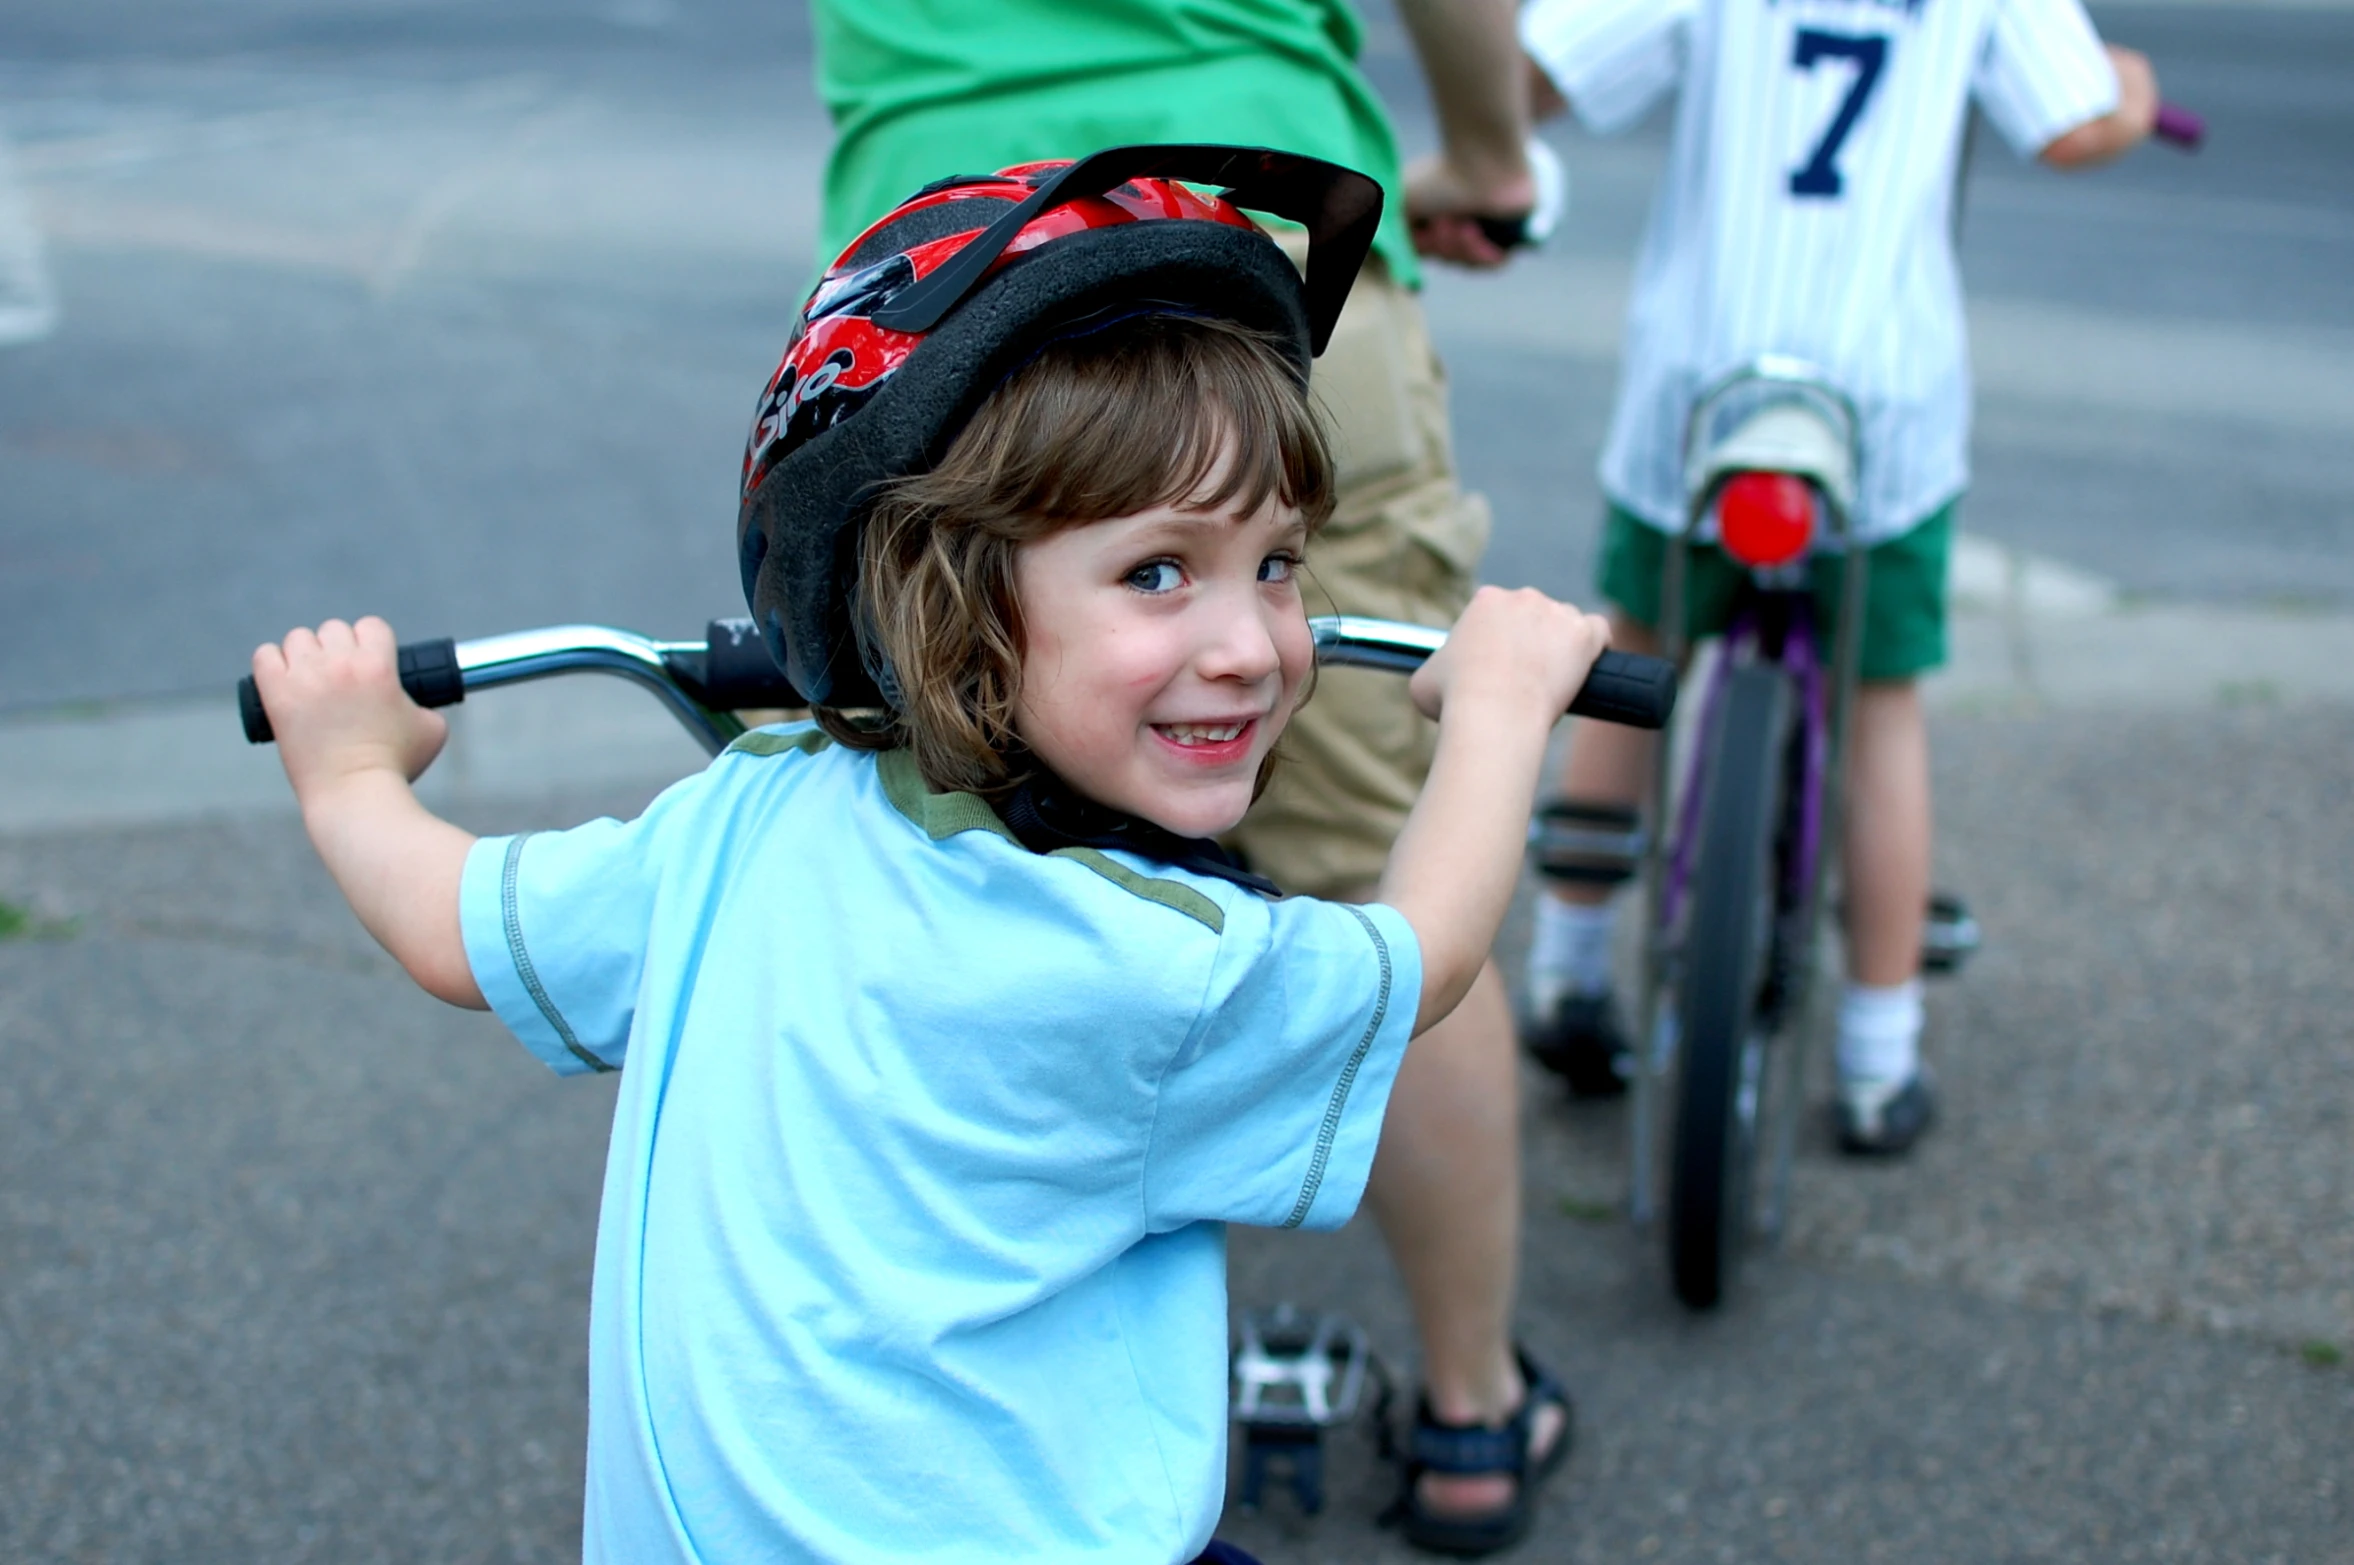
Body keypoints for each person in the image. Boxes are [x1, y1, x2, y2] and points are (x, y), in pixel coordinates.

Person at [248, 159, 1611, 1565]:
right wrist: (1500, 714)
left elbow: (454, 927)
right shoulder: (1145, 964)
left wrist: (348, 771)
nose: (1252, 643)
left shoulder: (743, 817)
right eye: (1158, 571)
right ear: (949, 594)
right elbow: (1423, 956)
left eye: (1275, 561)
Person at [809, 1, 1570, 1549]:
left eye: (1271, 576)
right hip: (1257, 216)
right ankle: (1469, 1405)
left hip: (932, 265)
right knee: (1377, 866)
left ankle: (935, 1387)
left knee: (923, 849)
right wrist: (1487, 154)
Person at [1513, 0, 2160, 1151]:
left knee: (1633, 652)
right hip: (1879, 397)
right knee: (1877, 711)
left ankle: (1564, 971)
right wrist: (2132, 90)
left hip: (1702, 379)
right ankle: (1874, 1053)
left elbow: (1536, 71)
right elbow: (2072, 124)